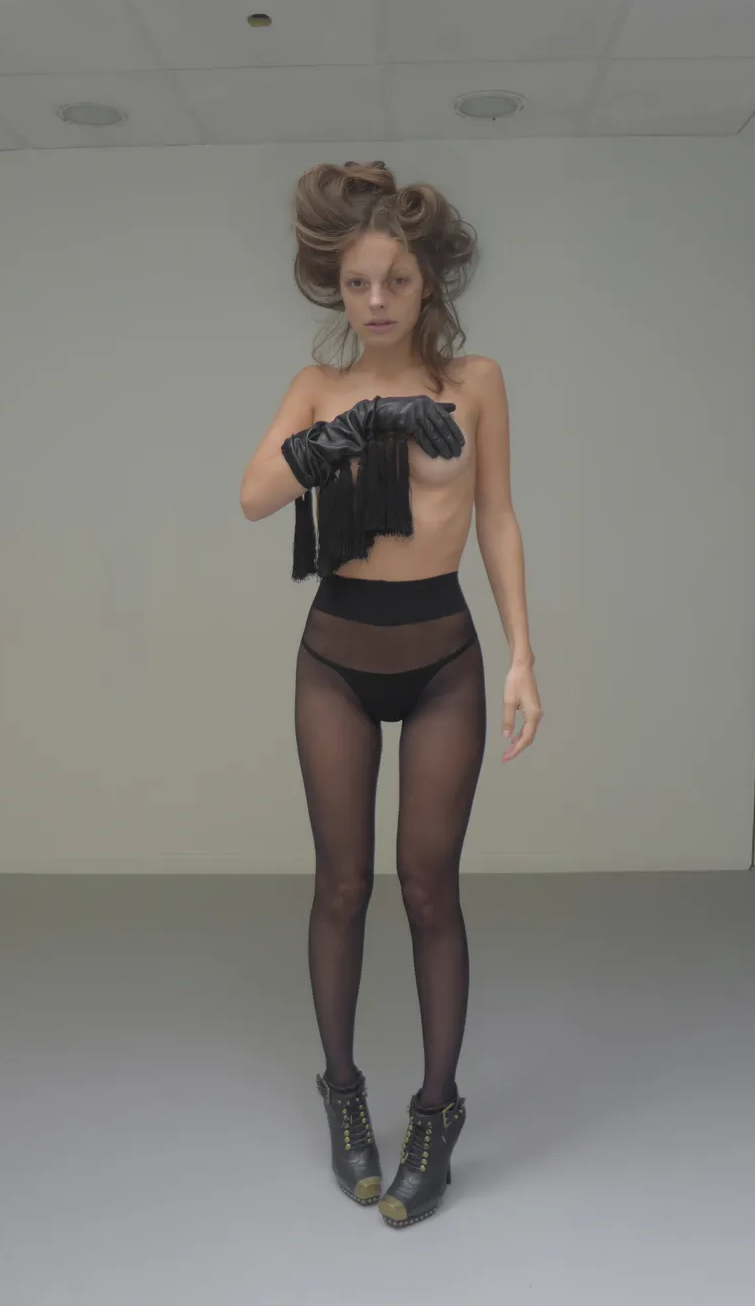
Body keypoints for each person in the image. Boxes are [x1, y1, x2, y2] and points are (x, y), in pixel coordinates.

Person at [240, 160, 542, 1228]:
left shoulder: (477, 381)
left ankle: (435, 1111)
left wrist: (522, 655)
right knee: (340, 885)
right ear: (337, 286)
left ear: (428, 286)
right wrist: (355, 428)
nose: (375, 301)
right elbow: (255, 495)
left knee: (427, 887)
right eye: (357, 283)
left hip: (443, 655)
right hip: (335, 655)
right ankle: (344, 1093)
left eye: (395, 282)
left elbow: (496, 517)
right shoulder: (317, 387)